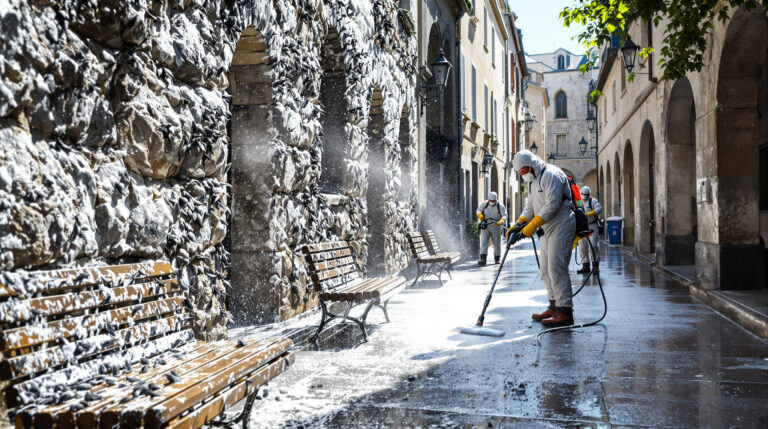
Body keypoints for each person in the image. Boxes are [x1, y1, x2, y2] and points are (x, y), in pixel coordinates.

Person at [507, 150, 576, 327]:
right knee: (545, 269)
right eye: (520, 172)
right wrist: (520, 223)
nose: (523, 174)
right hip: (547, 228)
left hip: (561, 225)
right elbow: (530, 205)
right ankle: (554, 306)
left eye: (524, 171)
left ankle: (565, 311)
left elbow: (553, 204)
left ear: (531, 164)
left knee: (556, 268)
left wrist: (534, 224)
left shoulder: (551, 174)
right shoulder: (532, 180)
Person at [577, 186, 603, 274]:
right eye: (583, 194)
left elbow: (599, 209)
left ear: (589, 194)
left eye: (586, 194)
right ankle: (585, 266)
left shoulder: (593, 201)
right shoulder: (578, 201)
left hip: (592, 227)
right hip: (582, 227)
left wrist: (591, 213)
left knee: (593, 246)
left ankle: (596, 266)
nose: (584, 196)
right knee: (582, 247)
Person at [476, 192, 506, 266]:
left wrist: (501, 220)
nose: (492, 202)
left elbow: (504, 215)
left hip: (496, 226)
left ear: (496, 199)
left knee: (496, 243)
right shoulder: (484, 204)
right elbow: (478, 210)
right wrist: (480, 216)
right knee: (484, 242)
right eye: (491, 201)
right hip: (486, 225)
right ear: (488, 199)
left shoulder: (500, 206)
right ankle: (483, 259)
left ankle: (497, 258)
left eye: (493, 201)